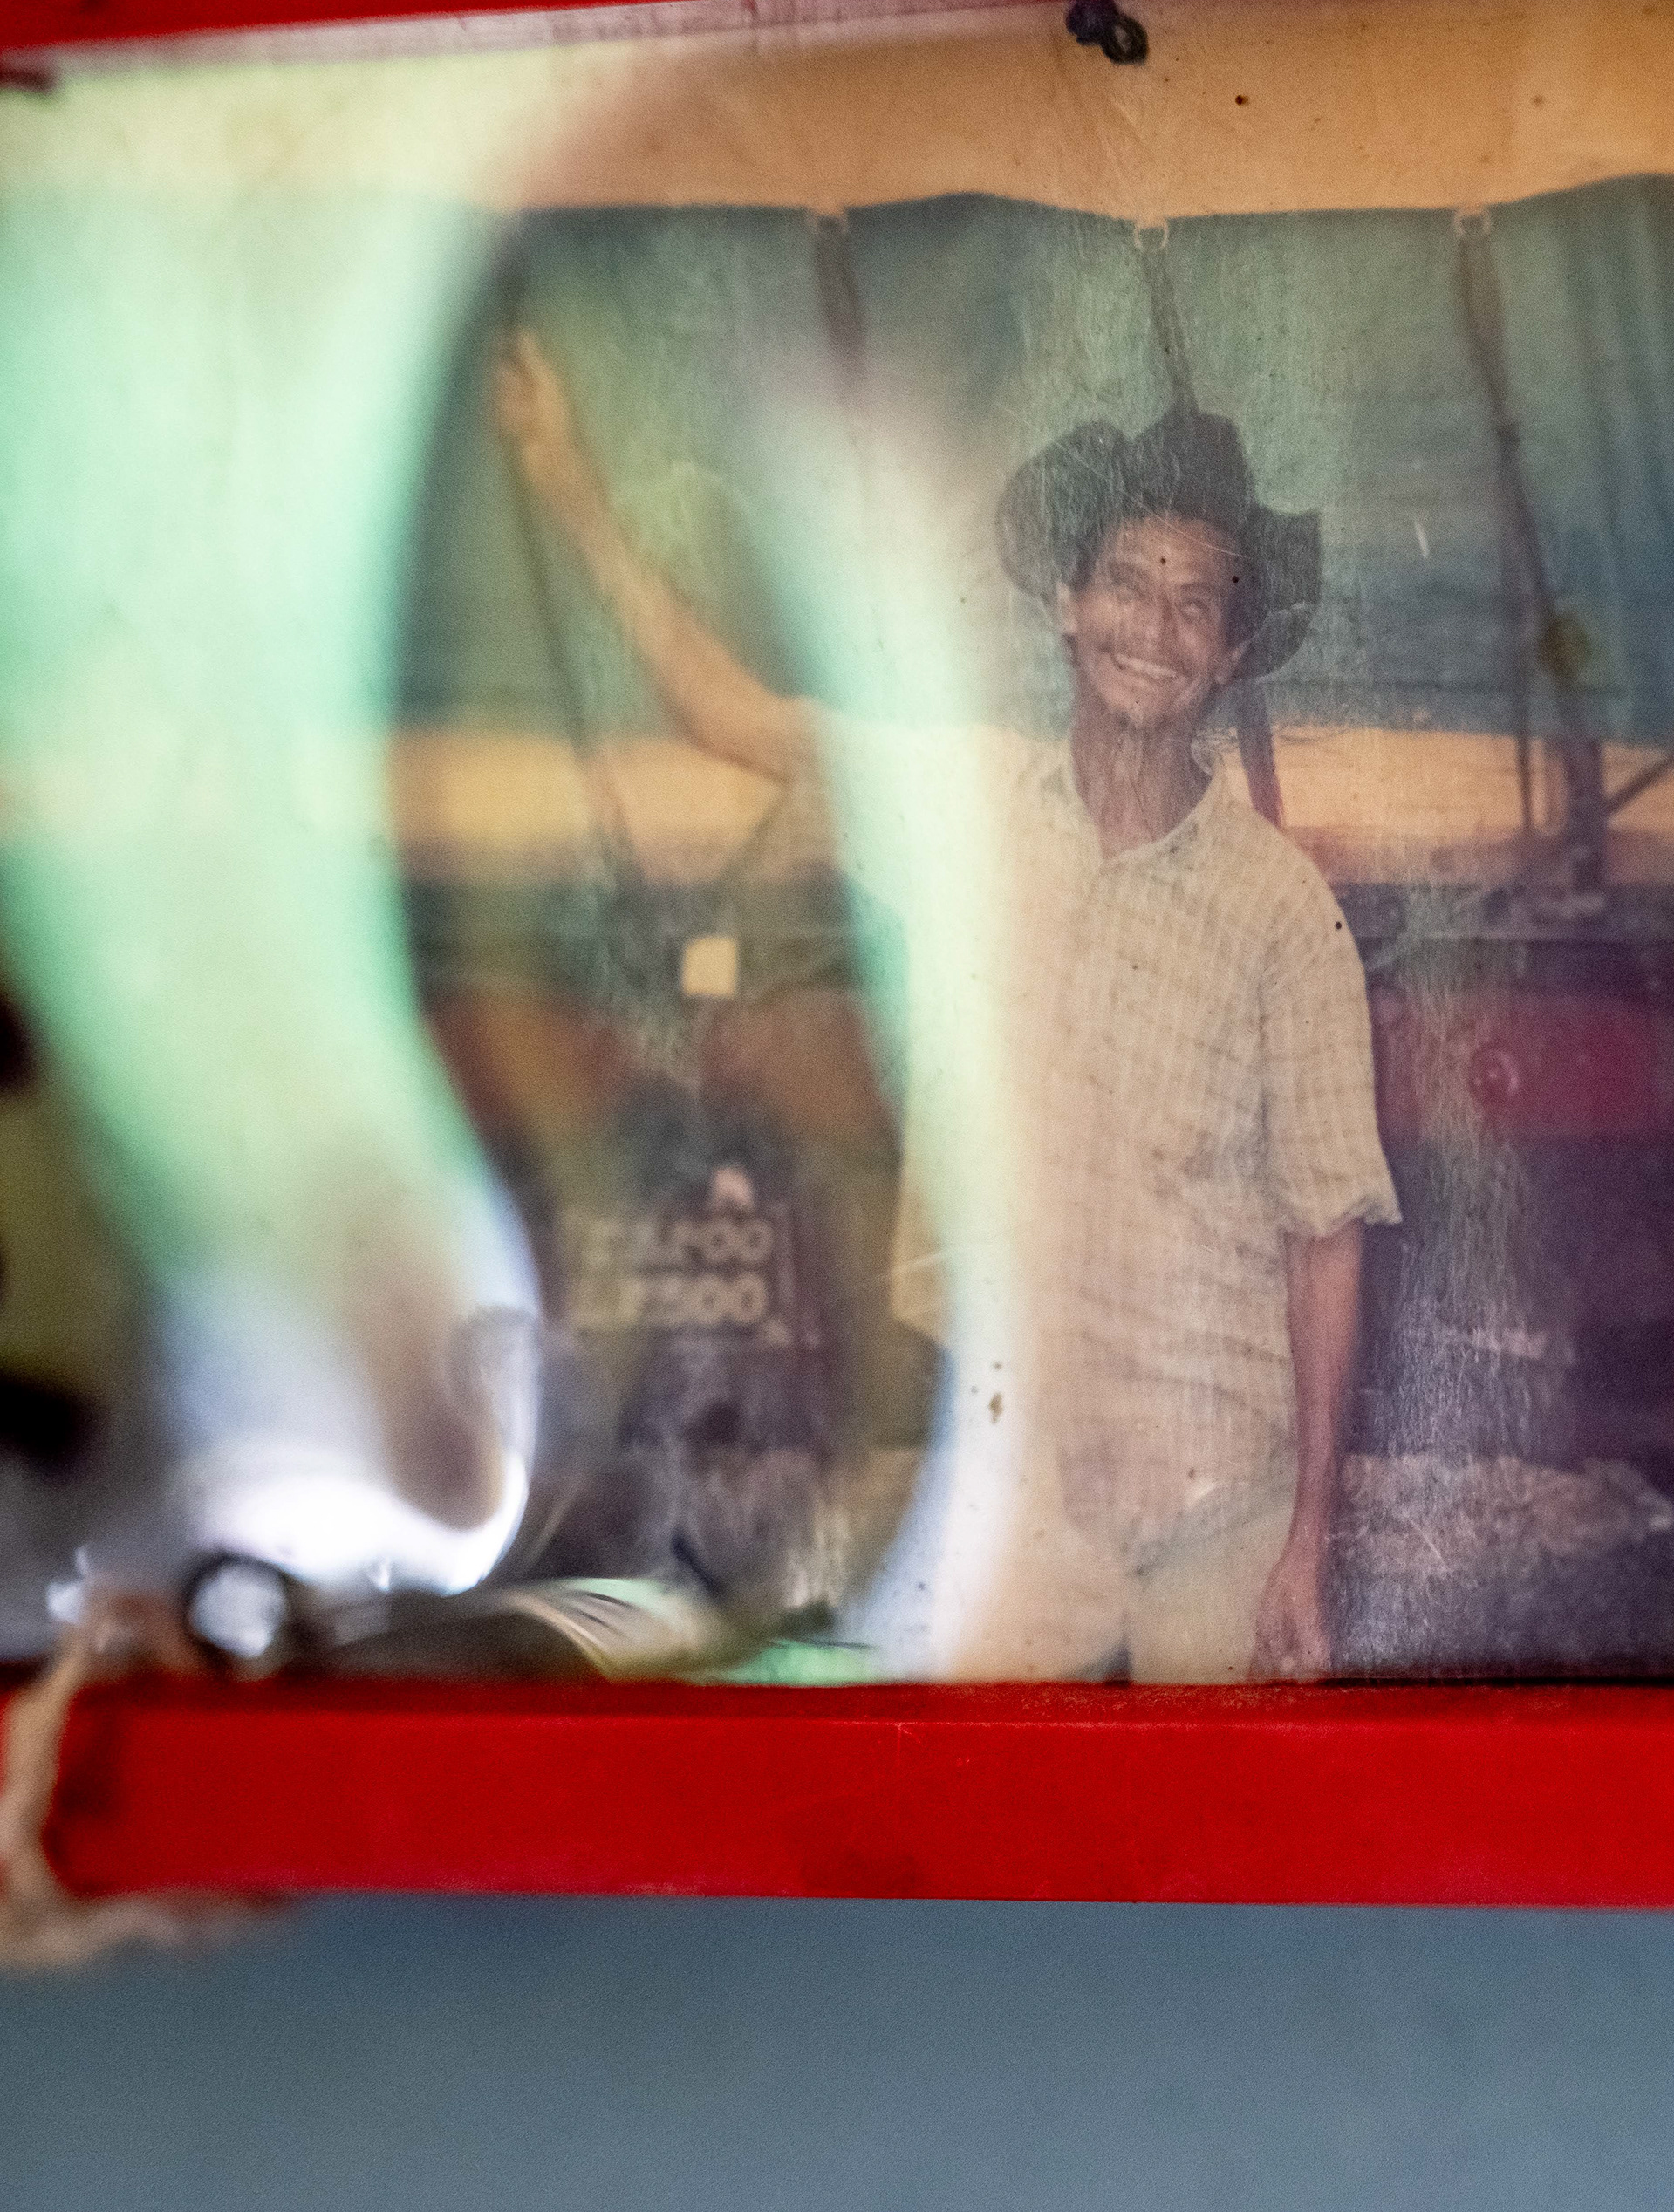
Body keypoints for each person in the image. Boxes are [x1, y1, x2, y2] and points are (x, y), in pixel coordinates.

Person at [489, 333, 1397, 1682]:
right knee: (972, 1836)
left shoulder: (1284, 913)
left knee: (1207, 1862)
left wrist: (1308, 1543)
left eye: (1198, 603)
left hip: (1221, 1510)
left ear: (1230, 654)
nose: (1156, 626)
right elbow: (731, 715)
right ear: (1063, 603)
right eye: (1128, 583)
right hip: (1018, 1497)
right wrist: (567, 483)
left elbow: (1329, 1233)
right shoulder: (964, 806)